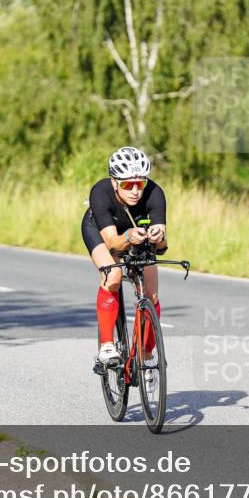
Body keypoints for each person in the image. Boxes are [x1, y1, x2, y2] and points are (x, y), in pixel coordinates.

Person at [81, 146, 168, 379]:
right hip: (102, 232)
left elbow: (161, 246)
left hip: (135, 234)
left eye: (139, 184)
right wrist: (129, 236)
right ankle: (107, 345)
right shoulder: (100, 192)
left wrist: (158, 237)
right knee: (114, 275)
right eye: (128, 185)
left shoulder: (155, 193)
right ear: (114, 182)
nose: (135, 191)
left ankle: (147, 355)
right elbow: (112, 243)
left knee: (152, 294)